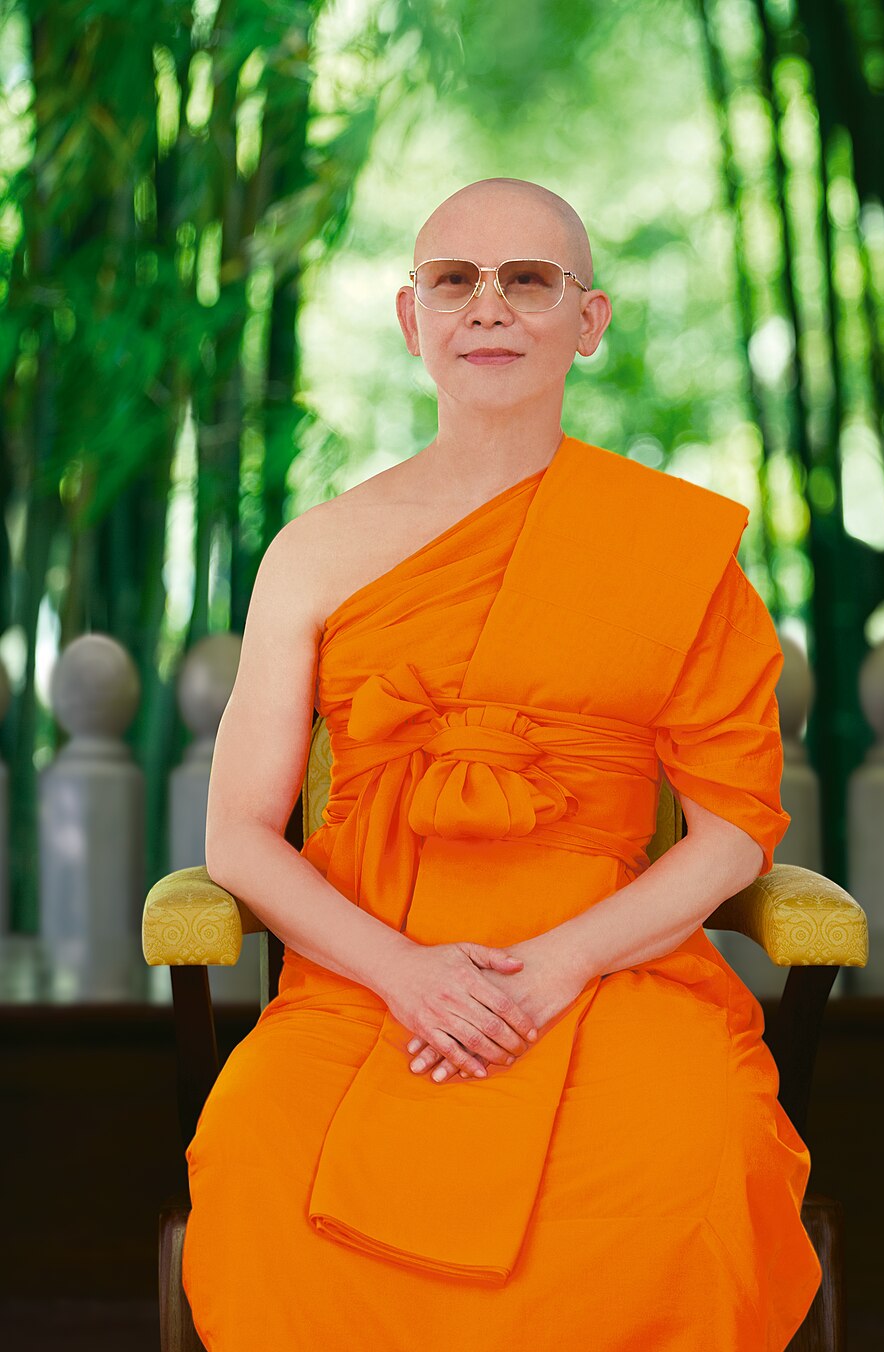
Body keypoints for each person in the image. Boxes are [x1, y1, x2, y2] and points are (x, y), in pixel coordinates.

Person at [182, 176, 823, 1350]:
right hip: (364, 980)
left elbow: (735, 828)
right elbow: (237, 836)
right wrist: (408, 974)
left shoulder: (673, 548)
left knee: (702, 1148)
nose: (489, 308)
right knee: (256, 1145)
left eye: (529, 280)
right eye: (454, 281)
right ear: (408, 315)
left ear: (590, 321)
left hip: (610, 970)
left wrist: (550, 969)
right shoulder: (312, 553)